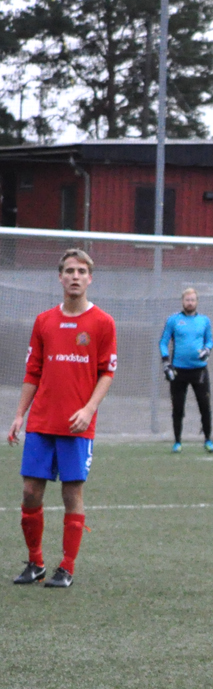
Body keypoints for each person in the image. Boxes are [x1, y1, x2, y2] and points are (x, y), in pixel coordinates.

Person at [8, 248, 117, 588]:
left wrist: (88, 409)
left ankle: (66, 567)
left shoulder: (103, 322)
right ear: (59, 277)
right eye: (69, 271)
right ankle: (36, 562)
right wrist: (19, 415)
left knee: (71, 494)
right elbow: (33, 371)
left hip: (77, 425)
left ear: (90, 279)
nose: (75, 276)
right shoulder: (44, 321)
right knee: (30, 492)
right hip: (42, 421)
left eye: (81, 272)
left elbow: (107, 372)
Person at [159, 287, 213, 453]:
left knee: (204, 406)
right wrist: (166, 362)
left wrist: (207, 350)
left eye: (192, 300)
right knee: (177, 408)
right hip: (178, 371)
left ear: (197, 302)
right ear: (182, 302)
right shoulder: (173, 320)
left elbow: (210, 341)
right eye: (187, 300)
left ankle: (208, 439)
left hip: (199, 371)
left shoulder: (204, 321)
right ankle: (177, 442)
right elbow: (163, 342)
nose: (190, 303)